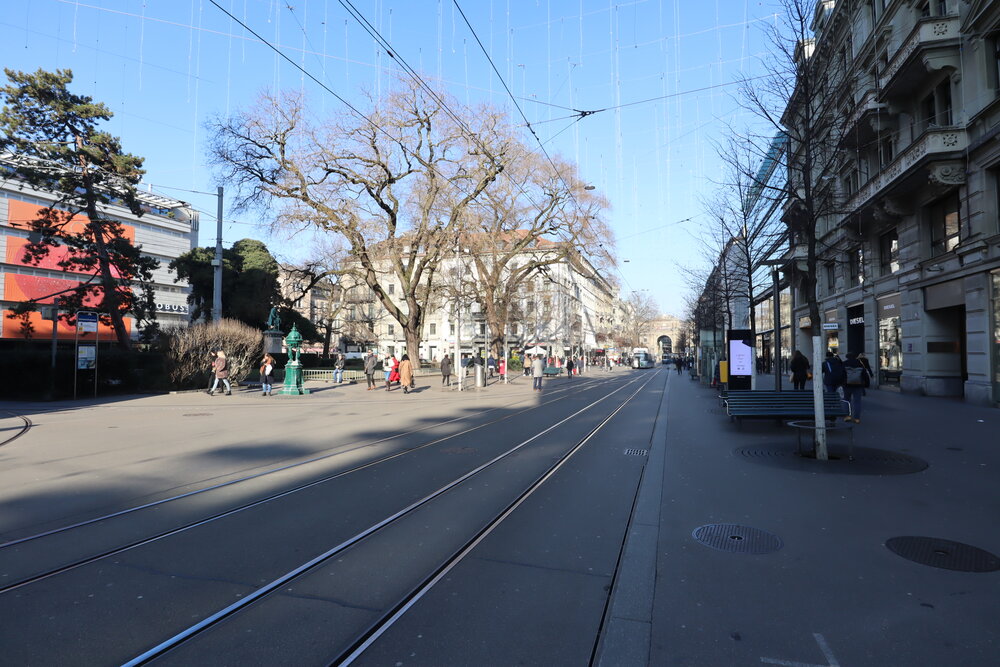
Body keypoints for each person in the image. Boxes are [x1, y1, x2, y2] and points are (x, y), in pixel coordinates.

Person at [842, 351, 872, 423]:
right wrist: (866, 384)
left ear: (847, 357)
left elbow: (841, 374)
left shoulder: (844, 363)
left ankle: (847, 416)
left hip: (847, 385)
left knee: (846, 400)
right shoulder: (860, 363)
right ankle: (857, 418)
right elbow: (865, 374)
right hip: (858, 385)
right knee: (857, 401)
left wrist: (841, 382)